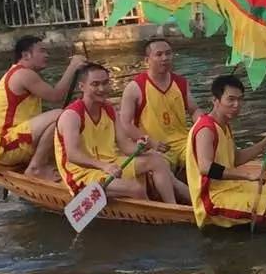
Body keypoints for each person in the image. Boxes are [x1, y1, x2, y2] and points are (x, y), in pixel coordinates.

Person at [55, 63, 183, 203]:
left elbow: (125, 146)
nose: (102, 89)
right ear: (82, 87)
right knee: (136, 188)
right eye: (95, 84)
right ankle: (156, 218)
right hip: (81, 174)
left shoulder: (109, 110)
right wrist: (104, 166)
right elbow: (73, 155)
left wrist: (142, 146)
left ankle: (173, 207)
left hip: (111, 164)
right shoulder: (72, 115)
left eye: (105, 83)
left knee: (157, 161)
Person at [187, 74, 266, 228]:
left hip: (232, 188)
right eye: (230, 99)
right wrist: (247, 175)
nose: (236, 105)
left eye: (240, 99)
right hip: (214, 198)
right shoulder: (206, 128)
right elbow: (206, 167)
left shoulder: (224, 125)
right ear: (215, 100)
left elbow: (236, 158)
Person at [0, 35, 86, 179]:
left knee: (64, 118)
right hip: (6, 146)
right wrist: (72, 67)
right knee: (62, 116)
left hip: (10, 143)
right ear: (26, 55)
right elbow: (56, 96)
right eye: (42, 51)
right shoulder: (23, 74)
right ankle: (36, 167)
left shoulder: (22, 73)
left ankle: (45, 162)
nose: (46, 55)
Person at [118, 37, 198, 176]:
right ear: (147, 60)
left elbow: (195, 110)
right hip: (155, 145)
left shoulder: (181, 82)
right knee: (163, 170)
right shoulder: (135, 87)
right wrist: (150, 142)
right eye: (159, 54)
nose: (165, 58)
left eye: (168, 53)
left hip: (183, 142)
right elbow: (125, 124)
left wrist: (204, 125)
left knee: (204, 158)